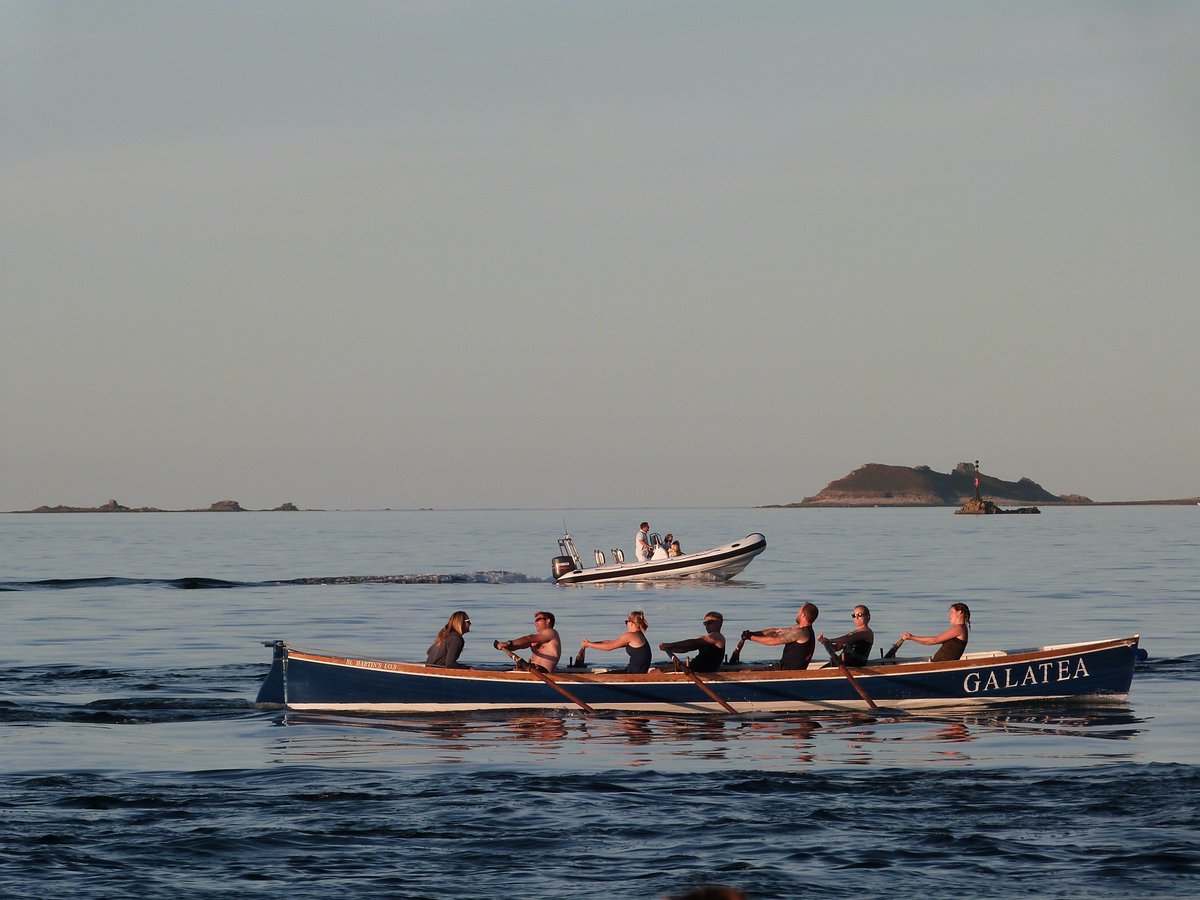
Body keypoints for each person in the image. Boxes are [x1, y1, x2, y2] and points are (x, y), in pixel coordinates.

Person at [741, 602, 819, 670]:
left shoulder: (801, 632)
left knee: (745, 672)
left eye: (799, 612)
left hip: (786, 671)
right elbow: (777, 631)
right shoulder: (800, 629)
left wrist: (750, 637)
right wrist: (752, 633)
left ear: (803, 615)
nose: (797, 614)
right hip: (784, 668)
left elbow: (773, 640)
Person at [580, 610, 651, 673]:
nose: (626, 625)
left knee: (598, 677)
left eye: (626, 622)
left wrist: (589, 644)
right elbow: (611, 642)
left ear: (631, 623)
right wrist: (590, 643)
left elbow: (609, 647)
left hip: (633, 675)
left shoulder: (630, 636)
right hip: (634, 672)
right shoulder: (639, 635)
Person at [899, 602, 971, 661]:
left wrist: (912, 637)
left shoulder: (959, 628)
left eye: (951, 612)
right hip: (938, 664)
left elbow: (935, 640)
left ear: (959, 612)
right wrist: (912, 638)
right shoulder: (960, 628)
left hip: (942, 665)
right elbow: (928, 642)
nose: (949, 615)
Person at [659, 611, 726, 672]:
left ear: (719, 623)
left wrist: (671, 645)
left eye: (710, 623)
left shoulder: (717, 636)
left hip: (701, 670)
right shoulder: (707, 638)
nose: (707, 626)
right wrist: (670, 648)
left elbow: (693, 643)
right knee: (659, 669)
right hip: (695, 668)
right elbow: (687, 648)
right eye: (705, 623)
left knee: (658, 671)